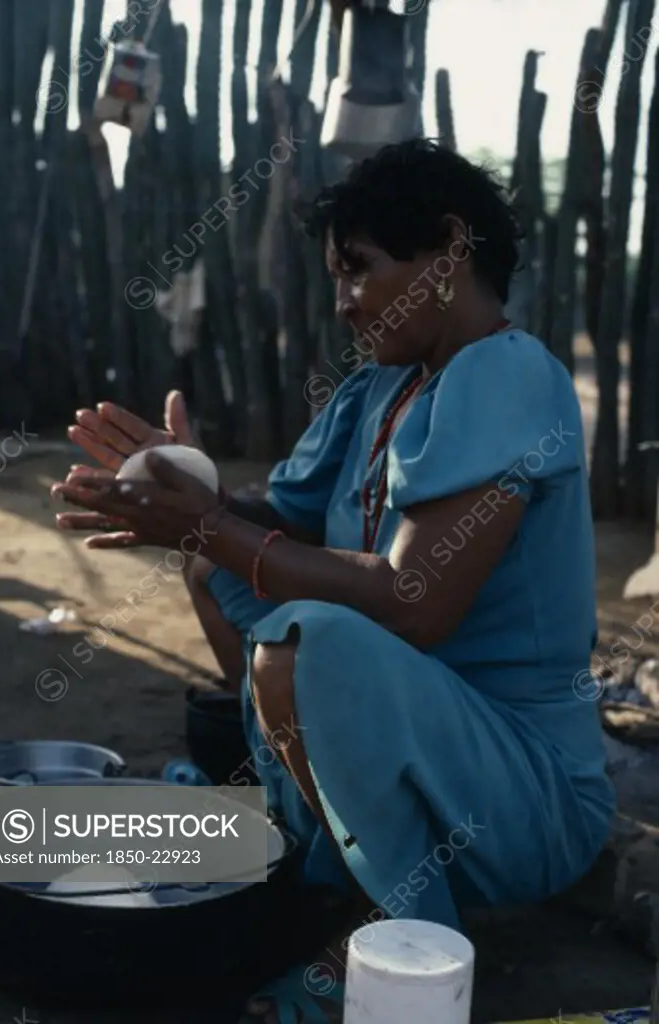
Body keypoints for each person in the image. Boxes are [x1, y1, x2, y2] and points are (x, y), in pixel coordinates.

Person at [53, 138, 615, 1023]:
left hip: (516, 793)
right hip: (410, 749)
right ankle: (310, 840)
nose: (345, 304)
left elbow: (413, 603)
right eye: (335, 277)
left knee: (305, 643)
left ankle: (401, 945)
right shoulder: (379, 390)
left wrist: (211, 525)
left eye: (358, 270)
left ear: (449, 250)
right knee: (221, 572)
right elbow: (272, 523)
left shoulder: (508, 377)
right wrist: (187, 483)